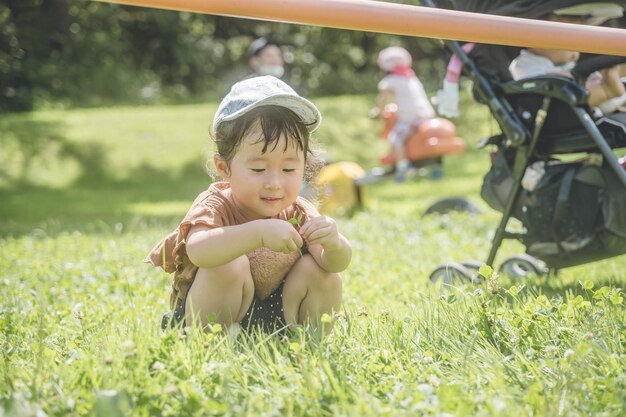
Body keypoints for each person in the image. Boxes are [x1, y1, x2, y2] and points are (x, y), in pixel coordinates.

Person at [145, 76, 351, 334]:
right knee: (227, 264)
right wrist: (259, 233)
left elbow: (335, 263)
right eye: (258, 168)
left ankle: (304, 341)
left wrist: (334, 243)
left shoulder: (299, 210)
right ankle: (209, 343)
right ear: (224, 168)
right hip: (215, 311)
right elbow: (198, 250)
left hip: (279, 313)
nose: (274, 182)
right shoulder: (215, 204)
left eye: (289, 168)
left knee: (323, 273)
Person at [509, 14, 626, 114]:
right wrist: (570, 76)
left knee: (594, 81)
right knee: (576, 89)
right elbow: (536, 83)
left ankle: (611, 90)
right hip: (550, 111)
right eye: (570, 43)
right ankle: (607, 91)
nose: (576, 52)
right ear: (536, 40)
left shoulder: (564, 64)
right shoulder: (523, 64)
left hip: (583, 110)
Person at [373, 46, 436, 182]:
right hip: (426, 115)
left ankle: (403, 168)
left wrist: (379, 110)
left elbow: (383, 98)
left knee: (395, 137)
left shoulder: (391, 80)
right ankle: (433, 165)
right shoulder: (411, 77)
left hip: (411, 118)